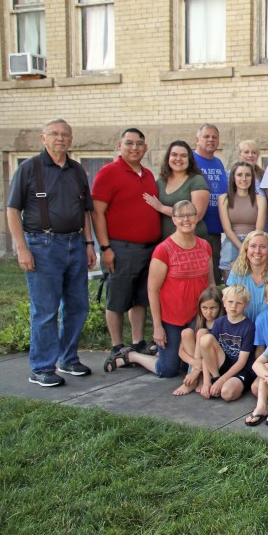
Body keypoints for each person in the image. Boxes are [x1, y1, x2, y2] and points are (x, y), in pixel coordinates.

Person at [6, 118, 97, 386]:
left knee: (77, 306)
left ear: (71, 139)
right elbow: (12, 210)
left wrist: (89, 244)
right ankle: (41, 368)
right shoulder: (29, 168)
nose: (60, 138)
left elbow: (85, 210)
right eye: (54, 134)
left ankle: (68, 359)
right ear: (43, 138)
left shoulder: (77, 170)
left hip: (75, 244)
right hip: (41, 245)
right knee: (45, 310)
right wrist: (21, 248)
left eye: (65, 134)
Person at [114, 200, 213, 386]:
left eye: (190, 215)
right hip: (172, 319)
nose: (186, 219)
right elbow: (153, 290)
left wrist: (213, 316)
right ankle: (133, 356)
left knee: (190, 365)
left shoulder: (205, 246)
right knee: (167, 370)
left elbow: (211, 283)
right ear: (173, 219)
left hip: (197, 318)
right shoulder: (164, 250)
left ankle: (165, 351)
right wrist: (157, 326)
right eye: (181, 216)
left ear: (196, 218)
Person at [91, 128, 161, 364]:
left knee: (140, 298)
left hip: (148, 249)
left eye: (139, 144)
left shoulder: (148, 175)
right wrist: (105, 248)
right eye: (129, 143)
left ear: (145, 147)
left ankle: (138, 342)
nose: (134, 148)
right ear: (119, 145)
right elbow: (97, 212)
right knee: (118, 298)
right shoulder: (108, 173)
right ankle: (116, 346)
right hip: (120, 248)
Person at [195, 284, 255, 400]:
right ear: (224, 302)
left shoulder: (249, 327)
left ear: (246, 305)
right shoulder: (219, 322)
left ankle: (228, 384)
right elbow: (206, 355)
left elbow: (241, 362)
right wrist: (206, 382)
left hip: (241, 369)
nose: (233, 306)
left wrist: (222, 381)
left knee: (227, 394)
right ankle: (215, 378)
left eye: (239, 303)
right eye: (230, 302)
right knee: (205, 339)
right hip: (223, 363)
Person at [144, 140, 209, 240]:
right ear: (168, 158)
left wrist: (162, 208)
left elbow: (197, 215)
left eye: (183, 156)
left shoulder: (197, 180)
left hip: (191, 240)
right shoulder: (160, 182)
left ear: (189, 159)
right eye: (174, 155)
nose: (178, 159)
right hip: (165, 242)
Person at [224, 230, 268, 322]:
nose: (257, 251)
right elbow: (230, 303)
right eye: (253, 246)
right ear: (246, 248)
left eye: (263, 247)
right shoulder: (237, 271)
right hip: (243, 324)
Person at [218, 162, 267, 275]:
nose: (244, 179)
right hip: (232, 243)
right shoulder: (224, 199)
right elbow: (227, 229)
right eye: (239, 175)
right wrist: (241, 247)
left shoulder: (260, 199)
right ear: (233, 177)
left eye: (248, 175)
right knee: (231, 283)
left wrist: (249, 248)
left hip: (254, 243)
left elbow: (259, 229)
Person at [192, 123, 227, 283]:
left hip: (215, 232)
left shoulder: (218, 162)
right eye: (206, 136)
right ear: (197, 139)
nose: (211, 140)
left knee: (213, 279)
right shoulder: (190, 160)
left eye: (214, 137)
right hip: (196, 230)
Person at [174, 286, 223, 391]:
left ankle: (195, 378)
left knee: (202, 332)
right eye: (204, 308)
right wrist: (195, 363)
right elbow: (181, 351)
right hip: (195, 362)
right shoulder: (198, 320)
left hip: (213, 362)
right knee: (186, 332)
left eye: (213, 308)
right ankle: (195, 377)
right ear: (199, 307)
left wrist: (197, 369)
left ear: (221, 307)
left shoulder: (223, 322)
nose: (208, 312)